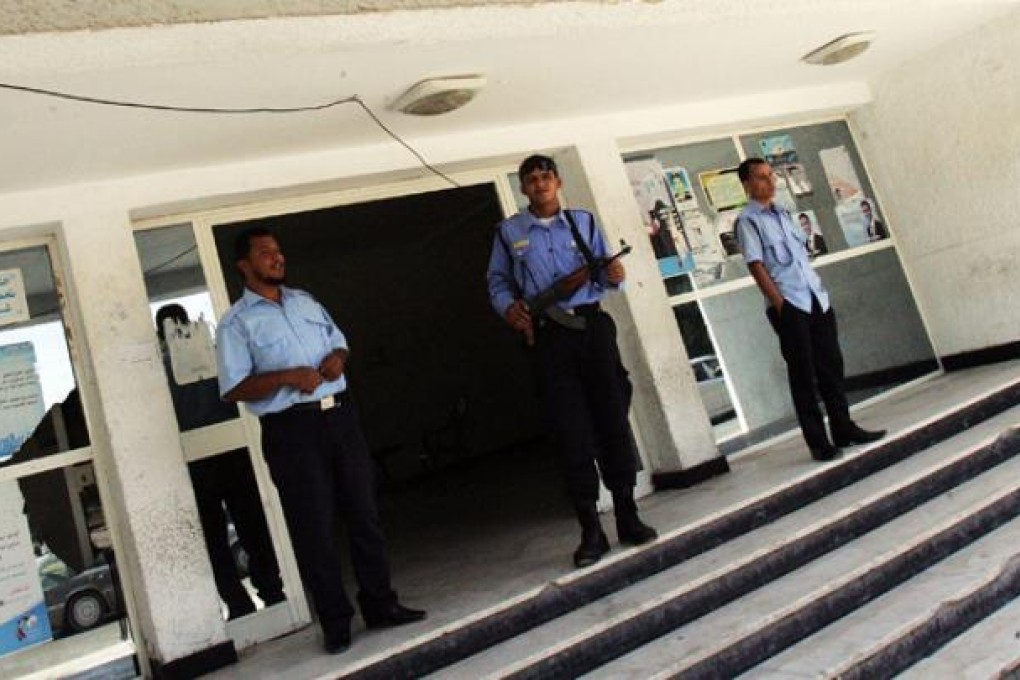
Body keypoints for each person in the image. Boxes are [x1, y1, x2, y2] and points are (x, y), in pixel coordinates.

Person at [215, 227, 425, 655]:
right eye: (265, 253)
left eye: (278, 250)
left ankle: (381, 604)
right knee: (314, 529)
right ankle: (335, 621)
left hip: (340, 419)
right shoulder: (236, 323)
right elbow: (233, 387)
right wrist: (289, 377)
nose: (277, 257)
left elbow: (340, 343)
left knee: (364, 515)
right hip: (293, 431)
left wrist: (337, 359)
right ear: (245, 265)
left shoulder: (306, 301)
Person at [487, 154, 657, 569]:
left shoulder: (582, 222)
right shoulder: (510, 232)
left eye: (546, 176)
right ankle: (590, 530)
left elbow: (604, 273)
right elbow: (498, 281)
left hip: (592, 330)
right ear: (523, 188)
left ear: (558, 182)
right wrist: (510, 309)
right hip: (549, 338)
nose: (540, 184)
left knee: (613, 421)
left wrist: (612, 276)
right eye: (532, 179)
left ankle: (627, 515)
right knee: (570, 432)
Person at [735, 158, 885, 461]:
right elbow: (756, 265)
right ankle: (819, 443)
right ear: (748, 185)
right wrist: (781, 305)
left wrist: (819, 291)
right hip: (790, 305)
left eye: (771, 176)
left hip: (815, 299)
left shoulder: (784, 214)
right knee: (804, 376)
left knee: (832, 367)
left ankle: (843, 428)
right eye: (761, 178)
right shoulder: (748, 220)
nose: (770, 182)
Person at [156, 304, 285, 621]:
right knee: (252, 524)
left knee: (213, 536)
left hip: (197, 462)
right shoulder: (215, 354)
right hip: (232, 451)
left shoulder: (160, 369)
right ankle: (272, 591)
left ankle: (238, 603)